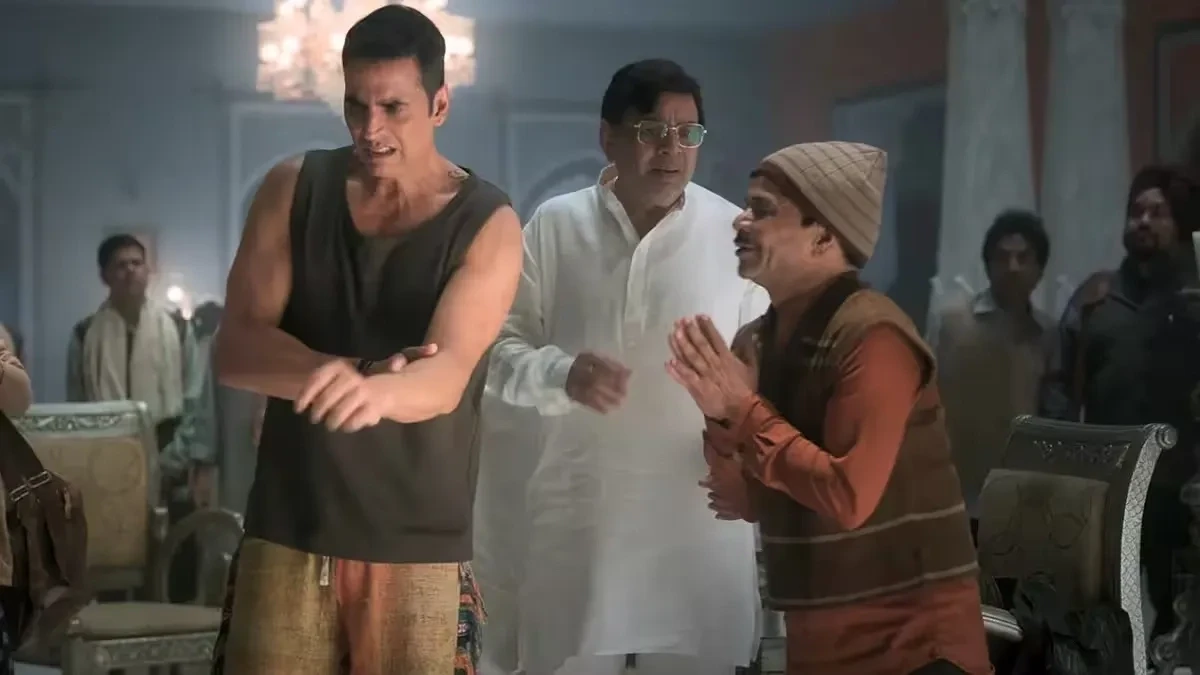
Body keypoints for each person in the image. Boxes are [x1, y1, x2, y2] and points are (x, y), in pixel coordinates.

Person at [210, 5, 521, 675]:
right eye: (356, 105)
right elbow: (235, 349)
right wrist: (351, 369)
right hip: (289, 523)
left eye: (393, 107)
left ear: (440, 104)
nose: (369, 128)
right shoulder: (294, 187)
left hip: (418, 539)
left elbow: (446, 375)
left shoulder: (487, 221)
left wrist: (372, 392)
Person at [486, 59, 765, 675]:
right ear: (608, 137)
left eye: (688, 133)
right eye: (651, 131)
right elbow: (496, 354)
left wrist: (741, 423)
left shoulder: (735, 236)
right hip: (580, 527)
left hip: (697, 529)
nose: (671, 149)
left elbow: (771, 382)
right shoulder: (555, 225)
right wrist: (561, 375)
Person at [667, 141, 989, 675]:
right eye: (746, 206)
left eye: (763, 210)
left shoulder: (874, 337)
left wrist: (742, 410)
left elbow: (847, 496)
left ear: (823, 236)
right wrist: (720, 413)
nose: (740, 222)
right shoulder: (759, 340)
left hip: (914, 649)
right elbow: (741, 499)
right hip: (820, 645)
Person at [1041, 165, 1200, 636]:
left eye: (1157, 212)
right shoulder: (1095, 298)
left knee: (1179, 620)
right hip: (1110, 488)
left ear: (1179, 223)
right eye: (1136, 212)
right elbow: (1058, 384)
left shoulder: (1193, 300)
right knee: (1102, 614)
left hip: (1179, 492)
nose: (1143, 221)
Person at [67, 233, 213, 602]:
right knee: (114, 567)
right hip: (109, 457)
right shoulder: (85, 335)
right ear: (105, 275)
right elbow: (79, 406)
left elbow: (194, 399)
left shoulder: (177, 328)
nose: (130, 271)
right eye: (121, 265)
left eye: (137, 263)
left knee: (173, 564)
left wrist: (174, 459)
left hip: (169, 452)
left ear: (149, 271)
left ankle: (176, 634)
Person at [929, 209, 1053, 533]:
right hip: (954, 493)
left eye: (1023, 258)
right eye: (1002, 257)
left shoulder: (1048, 334)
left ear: (1040, 269)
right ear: (987, 265)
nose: (1012, 267)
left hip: (1020, 495)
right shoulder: (952, 324)